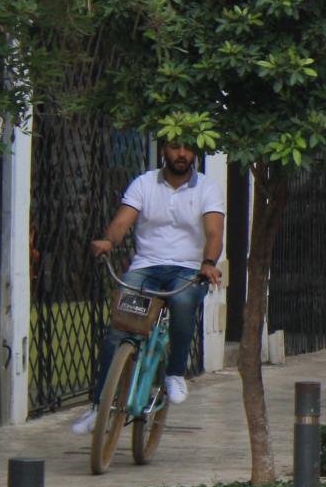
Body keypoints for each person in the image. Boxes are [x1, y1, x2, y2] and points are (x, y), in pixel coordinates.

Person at [74, 141, 225, 436]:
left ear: (195, 154)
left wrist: (208, 262)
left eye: (188, 149)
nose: (182, 154)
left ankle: (175, 372)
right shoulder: (144, 183)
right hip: (146, 268)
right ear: (163, 150)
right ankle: (98, 407)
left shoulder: (207, 188)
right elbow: (122, 222)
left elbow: (214, 231)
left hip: (188, 270)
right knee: (117, 330)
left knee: (183, 302)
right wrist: (109, 241)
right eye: (175, 147)